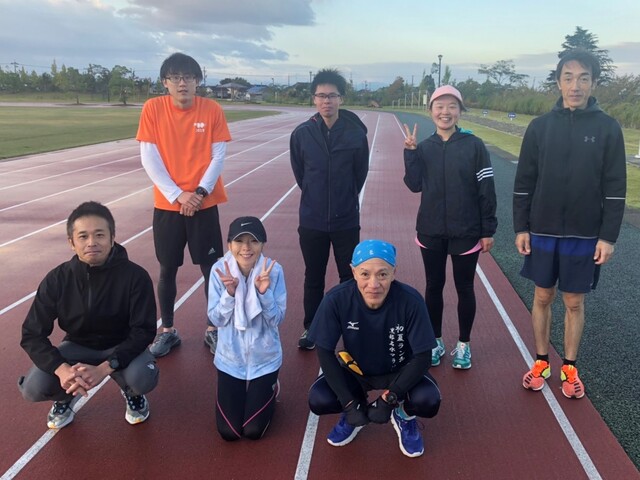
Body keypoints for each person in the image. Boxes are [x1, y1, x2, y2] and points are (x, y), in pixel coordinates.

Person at [514, 49, 626, 399]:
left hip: (585, 233)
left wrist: (608, 237)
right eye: (568, 78)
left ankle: (570, 367)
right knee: (542, 295)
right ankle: (541, 362)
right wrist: (521, 227)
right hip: (542, 230)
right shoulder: (539, 127)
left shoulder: (608, 128)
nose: (575, 85)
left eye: (583, 78)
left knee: (574, 302)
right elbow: (524, 181)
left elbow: (615, 188)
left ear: (594, 83)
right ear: (558, 82)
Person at [18, 201, 159, 429]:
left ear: (112, 238)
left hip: (121, 344)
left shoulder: (135, 277)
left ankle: (132, 393)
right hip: (77, 345)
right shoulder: (57, 279)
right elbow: (32, 334)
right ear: (71, 242)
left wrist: (105, 367)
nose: (92, 242)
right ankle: (65, 395)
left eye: (99, 235)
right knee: (33, 388)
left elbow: (144, 330)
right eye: (83, 236)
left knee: (141, 378)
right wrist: (62, 370)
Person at [307, 240, 441, 458]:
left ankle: (403, 415)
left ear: (394, 272)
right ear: (353, 272)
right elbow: (324, 351)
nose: (373, 284)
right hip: (356, 371)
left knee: (428, 400)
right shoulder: (336, 299)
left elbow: (423, 356)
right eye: (365, 274)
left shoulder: (411, 301)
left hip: (399, 371)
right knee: (320, 399)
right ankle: (356, 409)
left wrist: (390, 398)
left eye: (382, 274)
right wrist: (349, 403)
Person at [137, 52, 232, 358]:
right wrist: (178, 195)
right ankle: (167, 330)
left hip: (204, 203)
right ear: (165, 82)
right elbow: (149, 157)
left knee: (211, 269)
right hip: (169, 206)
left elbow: (218, 156)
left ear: (197, 81)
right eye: (175, 77)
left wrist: (199, 193)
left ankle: (213, 328)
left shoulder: (212, 109)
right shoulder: (153, 109)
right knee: (167, 269)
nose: (182, 83)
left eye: (189, 77)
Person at [403, 85, 497, 370]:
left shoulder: (474, 145)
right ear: (431, 110)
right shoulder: (424, 147)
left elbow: (486, 189)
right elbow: (414, 185)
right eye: (440, 106)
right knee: (433, 286)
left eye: (452, 106)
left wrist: (487, 230)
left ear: (460, 111)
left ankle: (464, 344)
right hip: (431, 229)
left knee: (464, 287)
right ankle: (435, 341)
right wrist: (410, 153)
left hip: (466, 231)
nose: (445, 112)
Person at [290, 68, 370, 350]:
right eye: (321, 96)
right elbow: (300, 174)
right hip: (311, 220)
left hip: (345, 219)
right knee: (313, 276)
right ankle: (311, 327)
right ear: (314, 99)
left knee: (349, 276)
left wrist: (343, 197)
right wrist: (316, 198)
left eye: (332, 96)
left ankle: (351, 327)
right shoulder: (302, 134)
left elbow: (360, 173)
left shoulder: (356, 134)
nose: (327, 101)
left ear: (341, 99)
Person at [208, 217, 286, 440]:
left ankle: (271, 386)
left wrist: (264, 293)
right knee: (229, 432)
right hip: (230, 359)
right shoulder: (219, 271)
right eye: (239, 241)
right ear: (229, 244)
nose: (246, 247)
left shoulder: (274, 271)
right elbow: (216, 319)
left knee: (253, 431)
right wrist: (229, 293)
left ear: (262, 244)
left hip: (265, 359)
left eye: (253, 241)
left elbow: (276, 319)